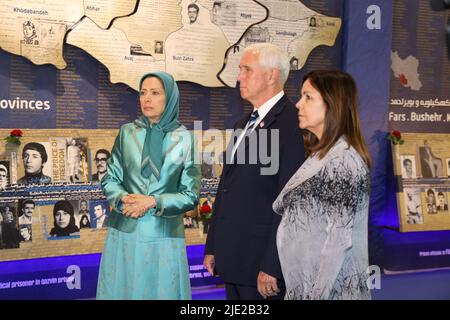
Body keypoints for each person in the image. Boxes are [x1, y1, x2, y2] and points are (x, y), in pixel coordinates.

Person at [204, 43, 305, 300]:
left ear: (272, 75)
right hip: (233, 259)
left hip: (262, 268)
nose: (239, 77)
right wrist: (213, 245)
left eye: (246, 70)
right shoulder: (244, 122)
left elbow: (290, 202)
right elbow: (227, 188)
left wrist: (273, 265)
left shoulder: (292, 124)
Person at [96, 71, 200, 300]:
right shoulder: (127, 132)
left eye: (155, 93)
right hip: (125, 231)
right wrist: (123, 198)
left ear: (170, 97)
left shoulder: (185, 139)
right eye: (143, 93)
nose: (147, 99)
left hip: (163, 236)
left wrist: (153, 201)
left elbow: (191, 195)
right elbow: (110, 178)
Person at [273, 70, 372, 300]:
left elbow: (339, 240)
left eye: (308, 97)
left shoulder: (344, 159)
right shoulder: (321, 155)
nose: (298, 105)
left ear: (332, 104)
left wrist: (316, 296)